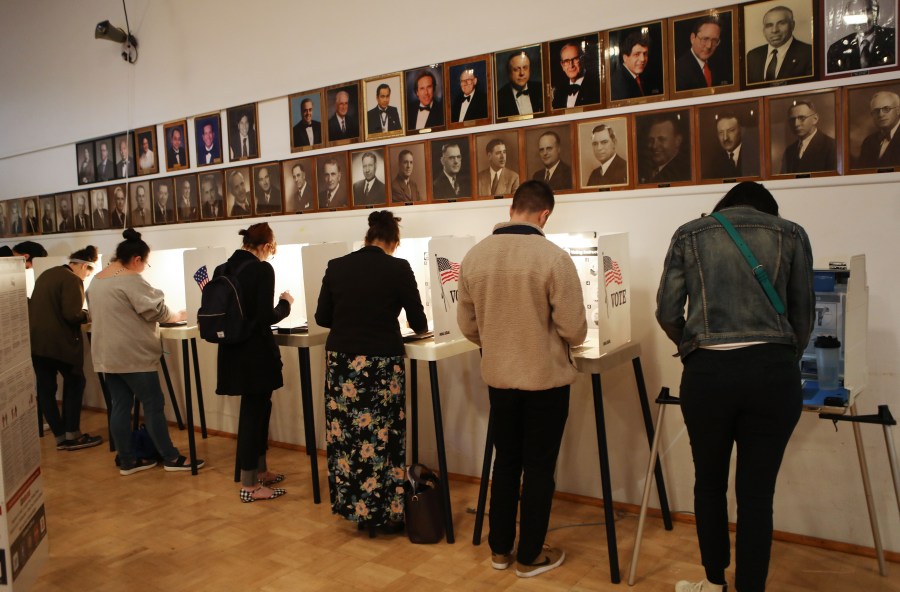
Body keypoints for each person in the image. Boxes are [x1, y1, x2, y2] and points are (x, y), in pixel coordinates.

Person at [656, 181, 814, 592]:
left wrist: (692, 348)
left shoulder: (691, 232)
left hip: (709, 375)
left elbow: (668, 311)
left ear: (723, 207)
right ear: (768, 211)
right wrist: (781, 361)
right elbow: (804, 314)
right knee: (757, 495)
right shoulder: (792, 233)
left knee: (708, 482)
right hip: (774, 374)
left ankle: (713, 581)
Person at [456, 180, 587, 578]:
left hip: (500, 381)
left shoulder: (475, 257)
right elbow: (575, 329)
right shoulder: (553, 258)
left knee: (506, 462)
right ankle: (530, 555)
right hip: (545, 382)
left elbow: (467, 325)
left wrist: (496, 342)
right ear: (544, 214)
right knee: (539, 469)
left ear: (512, 207)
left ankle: (500, 550)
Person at [315, 210, 428, 535]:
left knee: (347, 439)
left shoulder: (337, 266)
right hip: (381, 366)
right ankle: (386, 512)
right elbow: (418, 322)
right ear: (393, 241)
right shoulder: (398, 267)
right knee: (384, 438)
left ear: (367, 238)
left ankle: (354, 507)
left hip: (342, 365)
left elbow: (323, 317)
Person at [87, 228, 204, 475]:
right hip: (133, 355)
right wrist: (179, 315)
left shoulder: (98, 279)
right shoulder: (130, 278)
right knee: (153, 405)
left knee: (119, 407)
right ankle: (171, 457)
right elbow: (157, 312)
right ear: (137, 259)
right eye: (146, 264)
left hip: (106, 355)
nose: (144, 268)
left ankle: (127, 460)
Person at [215, 223, 292, 502]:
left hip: (231, 352)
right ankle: (249, 486)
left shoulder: (222, 269)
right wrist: (286, 304)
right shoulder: (262, 269)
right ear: (266, 246)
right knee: (253, 415)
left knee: (257, 410)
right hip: (255, 354)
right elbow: (265, 317)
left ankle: (260, 471)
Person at [30, 245, 103, 451]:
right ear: (82, 266)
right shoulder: (72, 280)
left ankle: (60, 437)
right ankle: (72, 435)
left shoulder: (47, 274)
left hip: (38, 345)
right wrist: (88, 314)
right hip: (60, 346)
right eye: (88, 273)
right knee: (75, 383)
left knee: (46, 390)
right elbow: (72, 314)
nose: (86, 277)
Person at [746, 6, 813, 84]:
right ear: (764, 30)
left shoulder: (809, 53)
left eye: (781, 23)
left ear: (792, 25)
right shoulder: (752, 56)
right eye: (769, 25)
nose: (774, 30)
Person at [827, 0, 895, 73]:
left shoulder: (894, 38)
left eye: (864, 12)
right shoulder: (836, 49)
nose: (859, 19)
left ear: (876, 13)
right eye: (852, 14)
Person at [780, 100, 837, 174]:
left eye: (802, 118)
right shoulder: (789, 151)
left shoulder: (832, 146)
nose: (796, 124)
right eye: (792, 119)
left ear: (815, 119)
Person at [676, 16, 730, 91]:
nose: (709, 46)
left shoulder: (720, 65)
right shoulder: (679, 71)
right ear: (693, 38)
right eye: (705, 39)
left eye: (714, 41)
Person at [703, 112, 759, 178]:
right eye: (721, 133)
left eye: (731, 131)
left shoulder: (754, 154)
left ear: (741, 130)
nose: (725, 138)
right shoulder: (715, 162)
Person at [640, 115, 692, 184]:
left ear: (678, 141)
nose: (654, 146)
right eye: (651, 140)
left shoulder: (683, 174)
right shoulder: (647, 169)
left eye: (661, 139)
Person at [856, 90, 900, 168]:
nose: (881, 114)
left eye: (886, 109)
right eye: (876, 111)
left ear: (898, 110)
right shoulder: (868, 142)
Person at [552, 42, 600, 108]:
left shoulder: (597, 86)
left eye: (575, 59)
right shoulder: (558, 92)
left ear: (582, 60)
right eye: (566, 61)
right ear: (562, 65)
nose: (571, 65)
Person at [497, 52, 543, 117]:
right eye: (516, 69)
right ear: (509, 73)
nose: (522, 73)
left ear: (529, 70)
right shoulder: (499, 98)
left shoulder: (541, 88)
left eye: (525, 68)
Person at [611, 31, 651, 100]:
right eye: (637, 54)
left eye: (645, 54)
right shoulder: (619, 84)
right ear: (625, 58)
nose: (643, 59)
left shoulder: (640, 75)